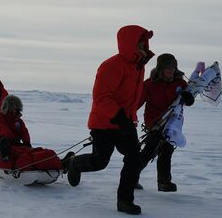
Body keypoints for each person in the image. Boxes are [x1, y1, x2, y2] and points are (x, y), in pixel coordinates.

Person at [65, 25, 154, 215]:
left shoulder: (138, 66)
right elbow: (101, 96)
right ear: (128, 43)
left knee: (134, 160)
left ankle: (124, 201)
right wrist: (118, 116)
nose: (143, 46)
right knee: (100, 162)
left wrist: (129, 118)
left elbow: (131, 97)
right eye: (139, 43)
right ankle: (74, 163)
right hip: (104, 123)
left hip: (126, 122)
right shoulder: (112, 65)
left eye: (144, 43)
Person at [138, 53, 194, 192]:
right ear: (160, 68)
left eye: (173, 67)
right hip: (155, 122)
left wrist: (189, 99)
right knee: (149, 151)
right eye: (168, 68)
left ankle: (164, 182)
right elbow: (137, 102)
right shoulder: (149, 84)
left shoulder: (180, 83)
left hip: (173, 122)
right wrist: (127, 115)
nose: (171, 71)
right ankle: (131, 178)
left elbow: (185, 102)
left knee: (167, 150)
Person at [0, 95, 62, 171]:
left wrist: (27, 142)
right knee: (14, 150)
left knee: (32, 153)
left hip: (16, 145)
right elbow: (3, 130)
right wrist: (12, 139)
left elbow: (24, 132)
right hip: (2, 145)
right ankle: (5, 157)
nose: (14, 110)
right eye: (13, 108)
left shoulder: (18, 121)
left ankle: (58, 162)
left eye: (16, 108)